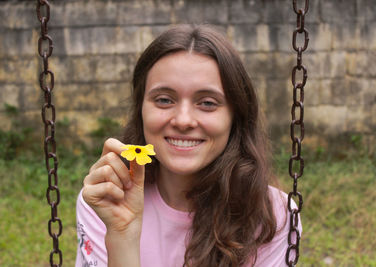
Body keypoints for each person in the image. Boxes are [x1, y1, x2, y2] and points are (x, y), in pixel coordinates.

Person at [76, 24, 302, 267]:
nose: (183, 120)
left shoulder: (273, 215)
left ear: (235, 115)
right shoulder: (107, 199)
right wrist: (122, 235)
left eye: (207, 103)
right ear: (140, 109)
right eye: (164, 100)